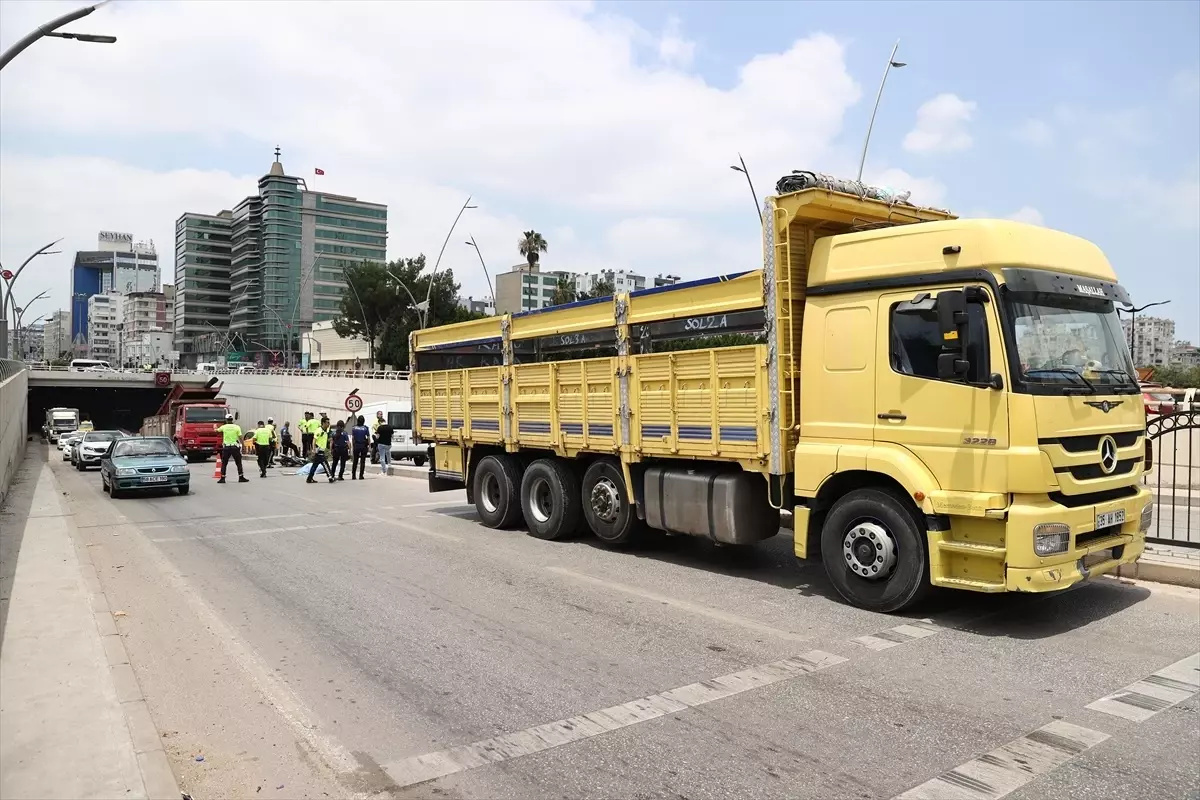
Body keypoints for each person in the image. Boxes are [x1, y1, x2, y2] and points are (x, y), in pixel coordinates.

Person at [215, 414, 250, 484]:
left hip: (226, 448)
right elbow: (240, 437)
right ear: (232, 419)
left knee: (224, 463)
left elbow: (217, 431)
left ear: (226, 420)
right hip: (235, 447)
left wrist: (215, 427)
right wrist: (243, 446)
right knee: (238, 462)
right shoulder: (237, 427)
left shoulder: (224, 427)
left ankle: (222, 478)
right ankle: (241, 477)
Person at [350, 415, 370, 480]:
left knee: (355, 461)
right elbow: (368, 438)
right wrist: (369, 446)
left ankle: (353, 475)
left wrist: (353, 445)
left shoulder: (354, 428)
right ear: (363, 421)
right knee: (362, 461)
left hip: (356, 445)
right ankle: (361, 475)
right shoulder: (366, 428)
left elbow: (352, 438)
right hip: (363, 446)